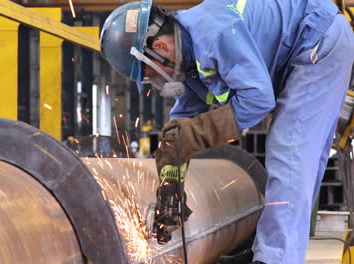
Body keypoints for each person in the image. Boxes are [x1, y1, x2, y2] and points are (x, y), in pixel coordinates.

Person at [100, 0, 354, 263]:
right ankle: (275, 251)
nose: (155, 81)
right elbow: (182, 123)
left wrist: (197, 134)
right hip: (302, 49)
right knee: (297, 160)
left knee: (289, 150)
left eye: (150, 73)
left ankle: (275, 258)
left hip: (317, 41)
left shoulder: (211, 34)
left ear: (160, 48)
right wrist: (171, 182)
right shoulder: (187, 55)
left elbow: (258, 100)